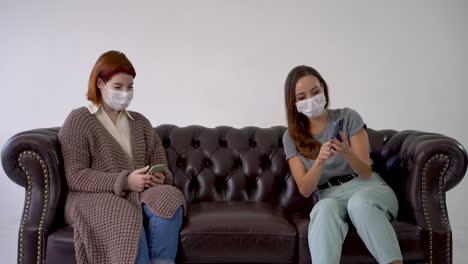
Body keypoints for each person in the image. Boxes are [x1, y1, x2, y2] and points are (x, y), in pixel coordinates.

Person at [58, 50, 186, 264]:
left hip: (140, 191)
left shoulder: (140, 122)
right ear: (100, 84)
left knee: (169, 197)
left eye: (130, 87)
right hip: (92, 194)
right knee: (122, 217)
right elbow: (76, 175)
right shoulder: (79, 120)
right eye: (118, 87)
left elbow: (158, 163)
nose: (125, 93)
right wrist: (125, 181)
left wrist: (160, 177)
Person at [282, 65, 402, 264]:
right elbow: (304, 189)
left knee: (359, 204)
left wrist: (346, 151)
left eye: (315, 92)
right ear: (293, 102)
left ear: (323, 89)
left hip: (367, 187)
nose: (310, 100)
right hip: (329, 194)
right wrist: (319, 160)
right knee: (323, 209)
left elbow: (365, 171)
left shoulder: (347, 117)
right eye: (302, 97)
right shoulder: (291, 137)